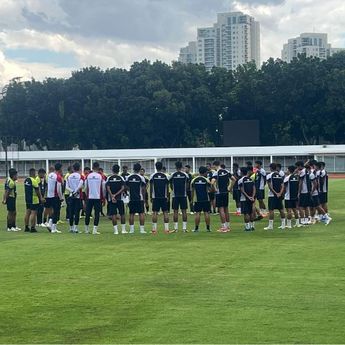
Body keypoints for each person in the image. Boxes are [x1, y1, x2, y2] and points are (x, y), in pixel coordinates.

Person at [211, 160, 235, 233]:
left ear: (215, 165)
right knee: (226, 209)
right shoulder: (226, 171)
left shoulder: (216, 172)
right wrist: (230, 188)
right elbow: (234, 179)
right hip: (225, 192)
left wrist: (214, 189)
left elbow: (212, 182)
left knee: (221, 209)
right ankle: (228, 226)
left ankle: (223, 227)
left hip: (219, 193)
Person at [84, 162, 106, 235]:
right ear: (98, 167)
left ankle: (86, 229)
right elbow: (103, 188)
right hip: (97, 197)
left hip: (90, 197)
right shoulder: (101, 176)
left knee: (88, 213)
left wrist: (87, 195)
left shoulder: (88, 176)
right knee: (97, 213)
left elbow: (86, 187)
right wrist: (103, 197)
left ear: (92, 167)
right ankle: (94, 229)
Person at [150, 161, 170, 234]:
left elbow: (151, 187)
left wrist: (150, 196)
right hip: (163, 197)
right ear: (161, 167)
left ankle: (154, 230)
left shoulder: (153, 176)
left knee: (155, 212)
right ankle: (167, 229)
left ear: (156, 167)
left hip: (155, 197)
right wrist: (167, 195)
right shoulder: (165, 176)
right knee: (165, 212)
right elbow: (167, 187)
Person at [264, 163, 286, 230]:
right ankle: (283, 225)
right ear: (276, 167)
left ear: (270, 168)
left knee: (271, 210)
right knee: (281, 209)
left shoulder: (269, 176)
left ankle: (270, 226)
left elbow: (270, 186)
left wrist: (275, 193)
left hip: (272, 195)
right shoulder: (279, 175)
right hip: (279, 195)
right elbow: (282, 185)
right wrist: (280, 193)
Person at [126, 163, 147, 234]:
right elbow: (144, 189)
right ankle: (142, 230)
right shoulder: (141, 177)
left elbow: (126, 187)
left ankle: (131, 230)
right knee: (141, 213)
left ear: (133, 168)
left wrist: (130, 190)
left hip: (131, 198)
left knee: (131, 213)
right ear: (140, 169)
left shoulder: (129, 177)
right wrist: (144, 198)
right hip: (139, 198)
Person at [106, 164, 127, 235]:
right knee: (122, 214)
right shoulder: (121, 178)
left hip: (111, 199)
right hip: (120, 198)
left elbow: (107, 187)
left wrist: (112, 195)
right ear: (119, 170)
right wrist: (116, 194)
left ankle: (116, 231)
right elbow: (123, 188)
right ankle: (123, 230)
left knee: (113, 214)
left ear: (112, 170)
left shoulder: (109, 178)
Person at [170, 161, 189, 233]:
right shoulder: (185, 175)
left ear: (175, 167)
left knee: (175, 211)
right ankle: (184, 228)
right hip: (183, 195)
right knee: (184, 211)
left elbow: (171, 184)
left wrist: (173, 190)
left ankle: (176, 229)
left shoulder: (173, 174)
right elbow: (187, 185)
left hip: (175, 196)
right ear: (181, 167)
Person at [191, 166, 212, 232]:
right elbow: (210, 190)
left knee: (197, 213)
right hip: (206, 199)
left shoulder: (194, 180)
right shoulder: (206, 180)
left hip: (197, 200)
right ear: (205, 172)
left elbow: (192, 191)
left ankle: (196, 228)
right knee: (206, 213)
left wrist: (191, 199)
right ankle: (208, 228)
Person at [66, 162, 84, 233]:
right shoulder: (80, 176)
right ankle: (76, 228)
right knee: (77, 212)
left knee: (71, 212)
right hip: (77, 196)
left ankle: (71, 228)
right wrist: (76, 191)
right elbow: (81, 185)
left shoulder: (69, 176)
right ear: (79, 168)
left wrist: (72, 191)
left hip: (71, 195)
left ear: (73, 168)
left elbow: (67, 187)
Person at [24, 168, 44, 233]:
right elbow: (37, 190)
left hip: (27, 199)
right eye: (34, 172)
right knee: (33, 213)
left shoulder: (26, 180)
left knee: (27, 212)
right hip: (34, 199)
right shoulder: (33, 180)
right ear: (33, 173)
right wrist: (41, 198)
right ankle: (32, 227)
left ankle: (26, 227)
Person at [46, 163, 64, 233]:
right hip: (55, 196)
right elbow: (58, 188)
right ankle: (54, 228)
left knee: (52, 211)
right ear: (60, 169)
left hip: (49, 195)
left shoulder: (50, 175)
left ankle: (50, 223)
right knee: (56, 211)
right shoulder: (58, 177)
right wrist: (61, 197)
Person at [238, 167, 256, 232]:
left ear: (242, 172)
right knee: (251, 212)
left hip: (244, 199)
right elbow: (254, 188)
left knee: (246, 213)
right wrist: (252, 196)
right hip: (251, 198)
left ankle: (247, 227)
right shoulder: (250, 179)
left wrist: (248, 197)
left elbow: (242, 190)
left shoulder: (241, 180)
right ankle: (252, 226)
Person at [296, 161, 311, 226]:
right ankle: (307, 220)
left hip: (303, 191)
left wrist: (298, 192)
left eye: (297, 166)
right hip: (308, 190)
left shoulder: (302, 172)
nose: (297, 168)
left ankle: (302, 220)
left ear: (299, 166)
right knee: (306, 206)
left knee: (300, 206)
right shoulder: (306, 171)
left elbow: (300, 183)